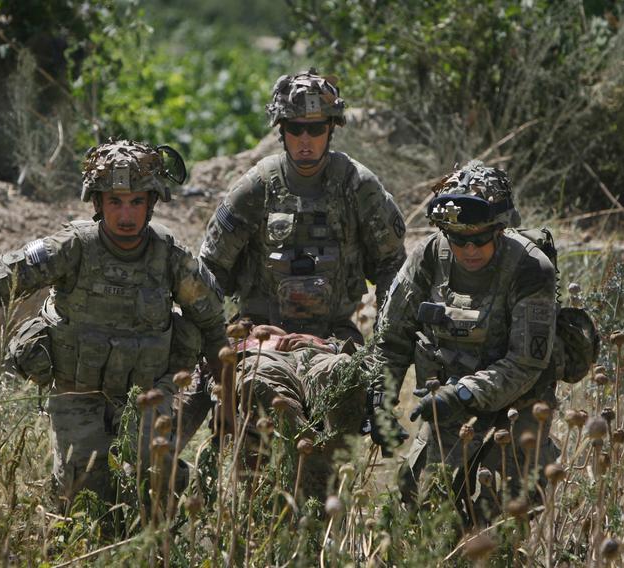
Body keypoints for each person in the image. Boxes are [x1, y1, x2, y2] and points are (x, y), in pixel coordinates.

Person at [0, 139, 228, 507]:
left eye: (136, 202)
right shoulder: (71, 248)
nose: (126, 215)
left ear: (151, 203)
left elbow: (211, 324)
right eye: (115, 201)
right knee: (84, 498)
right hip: (76, 393)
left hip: (147, 393)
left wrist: (228, 398)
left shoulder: (170, 257)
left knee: (155, 478)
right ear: (97, 203)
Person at [372, 160, 559, 524]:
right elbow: (391, 339)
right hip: (447, 408)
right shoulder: (428, 256)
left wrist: (462, 394)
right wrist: (381, 401)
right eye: (458, 240)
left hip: (517, 406)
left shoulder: (531, 268)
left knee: (503, 517)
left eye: (480, 239)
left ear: (500, 229)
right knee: (422, 511)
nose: (469, 249)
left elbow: (525, 362)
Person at [199, 69, 406, 344]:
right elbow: (212, 268)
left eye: (316, 128)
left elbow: (391, 263)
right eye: (296, 128)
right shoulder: (255, 188)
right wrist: (213, 343)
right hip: (260, 335)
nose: (305, 140)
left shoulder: (358, 185)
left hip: (334, 338)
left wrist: (385, 344)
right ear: (282, 130)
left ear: (331, 128)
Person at [216, 323, 367, 500]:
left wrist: (329, 346)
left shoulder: (318, 339)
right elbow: (211, 369)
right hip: (265, 360)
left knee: (342, 366)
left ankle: (328, 453)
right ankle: (306, 442)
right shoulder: (237, 346)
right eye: (252, 326)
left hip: (318, 355)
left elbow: (368, 353)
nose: (262, 328)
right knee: (263, 383)